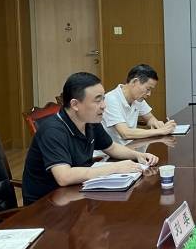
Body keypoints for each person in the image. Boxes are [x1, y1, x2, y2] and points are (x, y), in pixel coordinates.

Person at [22, 72, 158, 205]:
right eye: (97, 100)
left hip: (76, 191)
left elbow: (111, 147)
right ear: (75, 104)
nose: (104, 105)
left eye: (103, 98)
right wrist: (115, 167)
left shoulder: (90, 121)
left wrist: (138, 155)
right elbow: (64, 177)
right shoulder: (53, 130)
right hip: (47, 203)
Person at [103, 64, 176, 143]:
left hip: (131, 146)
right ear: (135, 82)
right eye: (148, 89)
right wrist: (160, 131)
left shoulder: (137, 99)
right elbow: (125, 133)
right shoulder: (111, 99)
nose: (149, 94)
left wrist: (157, 123)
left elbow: (149, 118)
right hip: (112, 150)